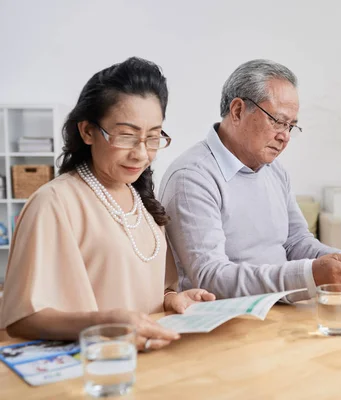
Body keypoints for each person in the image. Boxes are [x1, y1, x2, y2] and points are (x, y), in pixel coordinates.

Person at [0, 57, 215, 351]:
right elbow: (21, 319)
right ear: (87, 131)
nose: (141, 153)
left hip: (150, 362)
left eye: (152, 138)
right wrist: (105, 324)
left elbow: (153, 289)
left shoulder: (143, 204)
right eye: (126, 136)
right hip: (91, 372)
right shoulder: (54, 203)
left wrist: (172, 300)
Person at [159, 59, 341, 302]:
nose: (285, 137)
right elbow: (210, 278)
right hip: (228, 318)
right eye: (278, 121)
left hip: (283, 307)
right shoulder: (192, 177)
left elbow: (296, 242)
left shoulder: (275, 171)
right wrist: (310, 275)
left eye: (291, 126)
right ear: (238, 110)